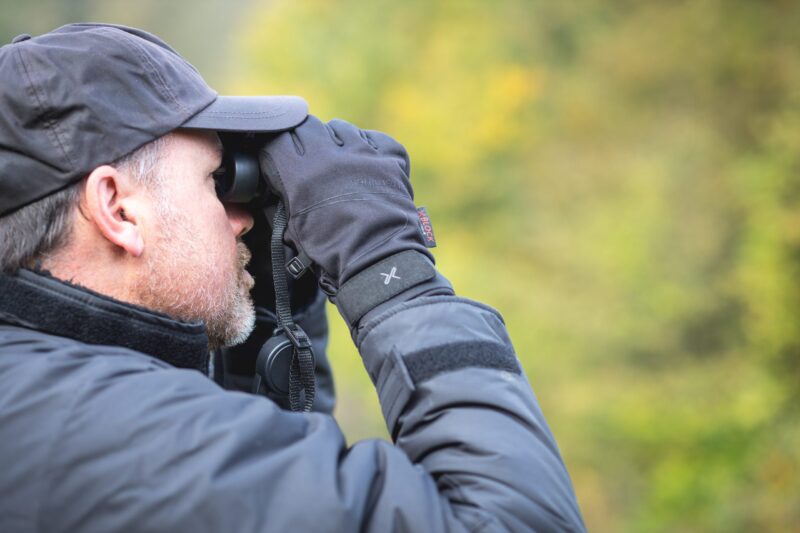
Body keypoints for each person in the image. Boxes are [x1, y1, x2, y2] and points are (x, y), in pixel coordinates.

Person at [0, 23, 586, 532]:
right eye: (215, 180)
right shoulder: (115, 434)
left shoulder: (40, 400)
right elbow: (517, 521)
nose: (242, 218)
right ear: (118, 209)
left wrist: (275, 305)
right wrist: (386, 265)